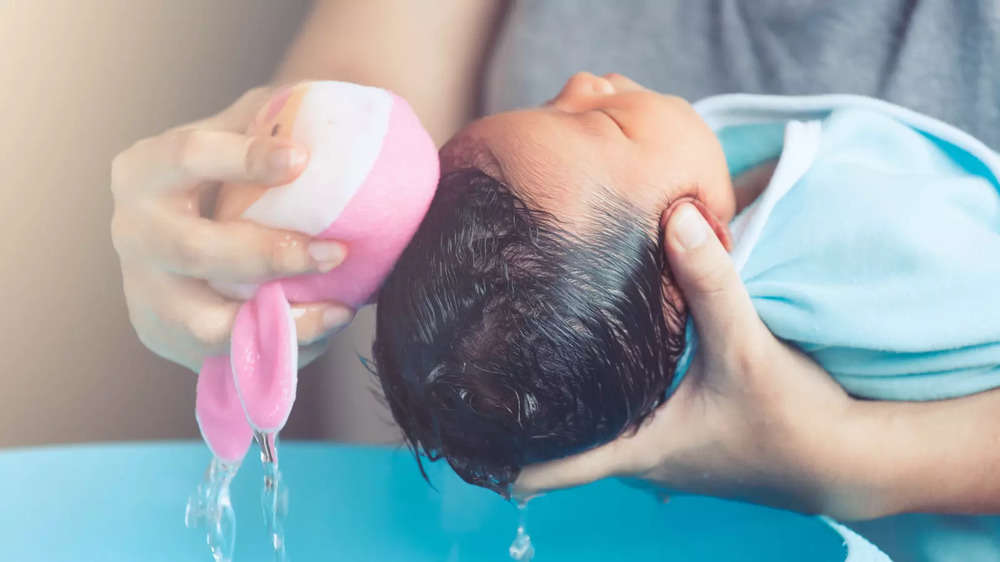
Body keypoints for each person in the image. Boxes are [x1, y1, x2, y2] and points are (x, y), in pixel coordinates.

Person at [109, 0, 1000, 554]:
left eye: (594, 122)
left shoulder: (863, 232)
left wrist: (863, 461)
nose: (580, 79)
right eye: (578, 118)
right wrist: (280, 190)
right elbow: (373, 68)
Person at [370, 71, 1000, 506]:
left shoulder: (697, 199)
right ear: (698, 239)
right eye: (606, 122)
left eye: (547, 107)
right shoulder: (854, 236)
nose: (580, 82)